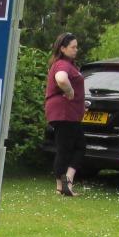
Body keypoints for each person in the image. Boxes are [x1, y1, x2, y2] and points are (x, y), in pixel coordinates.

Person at [45, 32, 86, 196]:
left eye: (77, 47)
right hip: (64, 112)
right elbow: (61, 79)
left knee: (78, 146)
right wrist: (70, 92)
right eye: (73, 47)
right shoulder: (62, 64)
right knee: (65, 149)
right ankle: (62, 186)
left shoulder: (68, 64)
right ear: (62, 48)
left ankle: (66, 181)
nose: (76, 50)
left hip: (70, 112)